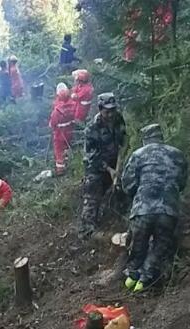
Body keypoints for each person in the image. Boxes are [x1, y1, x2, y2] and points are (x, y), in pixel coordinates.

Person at [121, 124, 188, 292]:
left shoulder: (138, 155)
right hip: (169, 210)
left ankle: (130, 279)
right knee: (159, 246)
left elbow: (127, 184)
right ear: (160, 137)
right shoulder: (177, 154)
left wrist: (138, 194)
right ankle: (145, 282)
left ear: (145, 139)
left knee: (138, 246)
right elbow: (181, 183)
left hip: (143, 209)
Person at [78, 92, 128, 240]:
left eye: (113, 110)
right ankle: (87, 230)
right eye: (107, 111)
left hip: (114, 162)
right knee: (93, 192)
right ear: (100, 109)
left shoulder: (118, 118)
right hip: (96, 167)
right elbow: (92, 157)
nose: (111, 114)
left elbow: (123, 141)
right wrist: (110, 170)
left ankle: (120, 212)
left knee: (123, 184)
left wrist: (118, 167)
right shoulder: (92, 129)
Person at [49, 83, 76, 176]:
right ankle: (68, 164)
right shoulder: (73, 105)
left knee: (59, 151)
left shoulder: (57, 110)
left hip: (59, 134)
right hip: (70, 132)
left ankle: (60, 171)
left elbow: (52, 124)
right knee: (67, 148)